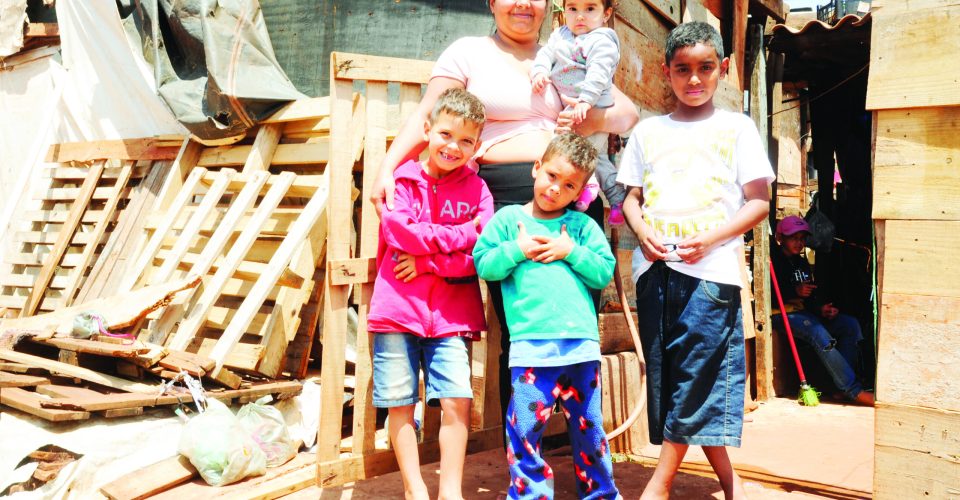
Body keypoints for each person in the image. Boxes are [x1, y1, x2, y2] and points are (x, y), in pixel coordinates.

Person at [370, 0, 639, 434]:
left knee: (572, 328)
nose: (522, 4)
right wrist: (387, 168)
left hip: (572, 199)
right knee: (523, 326)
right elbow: (427, 115)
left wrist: (574, 123)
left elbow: (627, 114)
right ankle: (523, 457)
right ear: (493, 3)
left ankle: (580, 456)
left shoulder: (568, 48)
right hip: (508, 197)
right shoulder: (469, 52)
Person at [617, 21, 775, 500]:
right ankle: (733, 483)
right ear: (666, 72)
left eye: (705, 68)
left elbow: (759, 202)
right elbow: (630, 199)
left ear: (723, 70)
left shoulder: (737, 128)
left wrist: (711, 240)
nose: (693, 79)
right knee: (673, 379)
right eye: (682, 69)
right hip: (655, 272)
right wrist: (642, 233)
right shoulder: (647, 132)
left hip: (710, 275)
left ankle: (659, 485)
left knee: (697, 374)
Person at [474, 133, 619, 499]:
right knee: (524, 430)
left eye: (569, 185)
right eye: (552, 176)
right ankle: (530, 495)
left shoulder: (583, 228)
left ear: (579, 192)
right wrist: (517, 249)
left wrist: (571, 251)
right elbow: (484, 263)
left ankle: (601, 494)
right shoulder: (508, 220)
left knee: (590, 431)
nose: (556, 189)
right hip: (531, 350)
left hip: (580, 351)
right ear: (537, 168)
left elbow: (603, 271)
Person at [367, 88, 495, 500]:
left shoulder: (478, 191)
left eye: (466, 141)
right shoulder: (401, 180)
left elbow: (480, 252)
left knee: (457, 400)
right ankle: (415, 489)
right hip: (396, 309)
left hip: (451, 316)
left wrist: (428, 262)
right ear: (427, 130)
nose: (453, 147)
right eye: (445, 134)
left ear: (477, 144)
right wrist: (460, 235)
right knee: (399, 403)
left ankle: (451, 492)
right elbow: (398, 230)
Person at [530, 0, 627, 225]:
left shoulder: (602, 41)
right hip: (573, 107)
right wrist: (540, 72)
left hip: (593, 106)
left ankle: (588, 184)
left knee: (574, 151)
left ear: (606, 14)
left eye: (590, 9)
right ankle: (617, 199)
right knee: (599, 158)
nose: (580, 16)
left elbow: (599, 73)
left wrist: (586, 101)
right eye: (573, 9)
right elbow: (545, 54)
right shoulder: (560, 35)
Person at [770, 215, 874, 406]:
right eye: (794, 237)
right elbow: (766, 292)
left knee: (849, 324)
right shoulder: (770, 260)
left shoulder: (801, 264)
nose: (799, 242)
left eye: (802, 238)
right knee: (816, 330)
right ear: (780, 238)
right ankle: (853, 390)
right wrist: (794, 291)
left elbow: (809, 299)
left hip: (804, 314)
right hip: (779, 314)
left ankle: (838, 389)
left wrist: (821, 309)